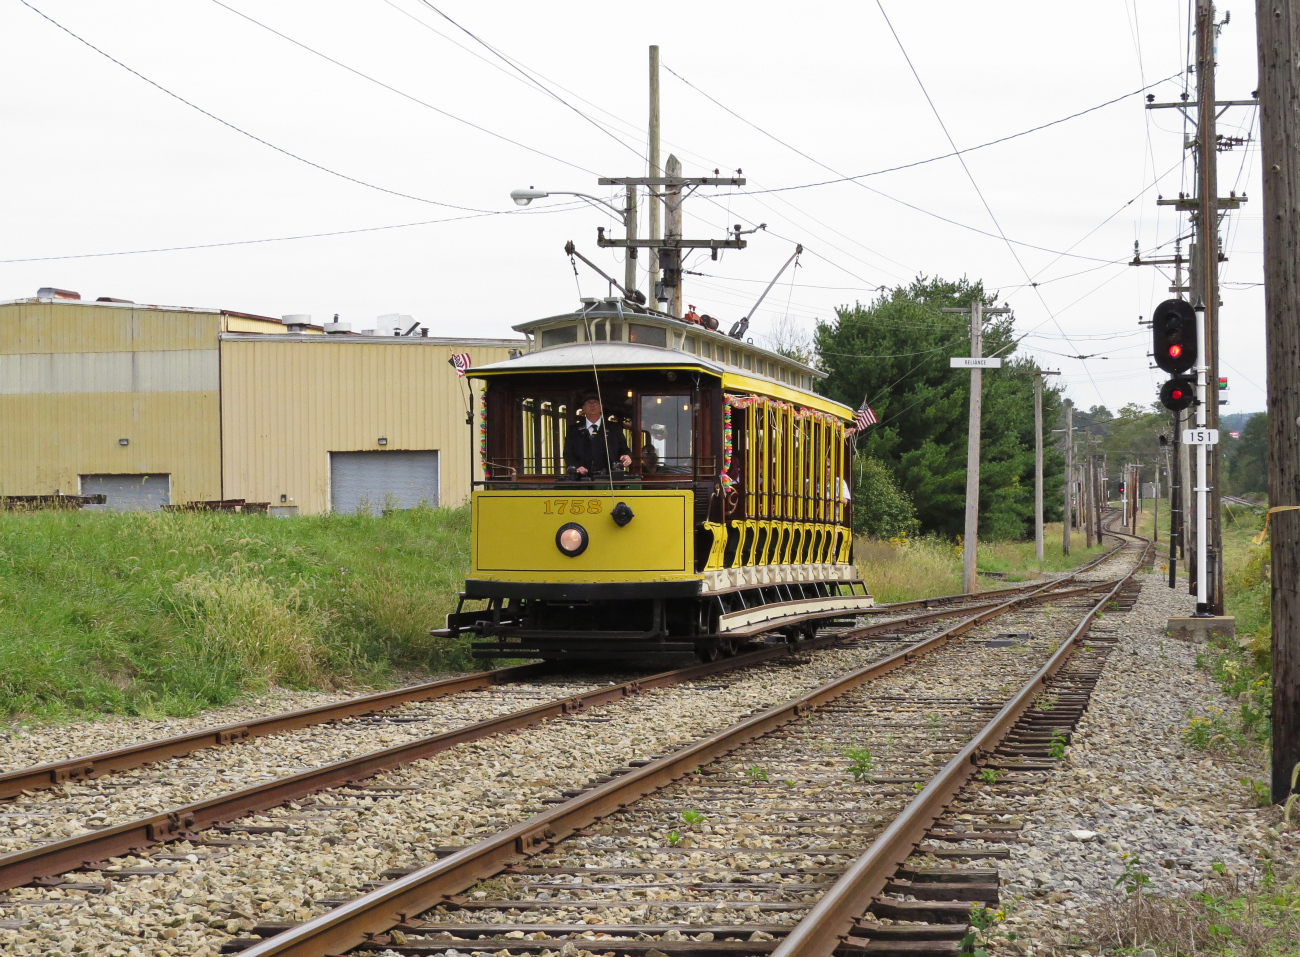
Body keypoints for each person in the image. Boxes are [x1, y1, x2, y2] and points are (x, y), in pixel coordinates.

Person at [564, 396, 631, 477]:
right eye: (588, 403)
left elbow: (624, 448)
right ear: (583, 408)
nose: (592, 405)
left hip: (609, 478)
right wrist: (577, 467)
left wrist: (627, 456)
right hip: (581, 478)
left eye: (595, 402)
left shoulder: (614, 428)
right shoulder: (573, 430)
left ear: (601, 407)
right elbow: (568, 453)